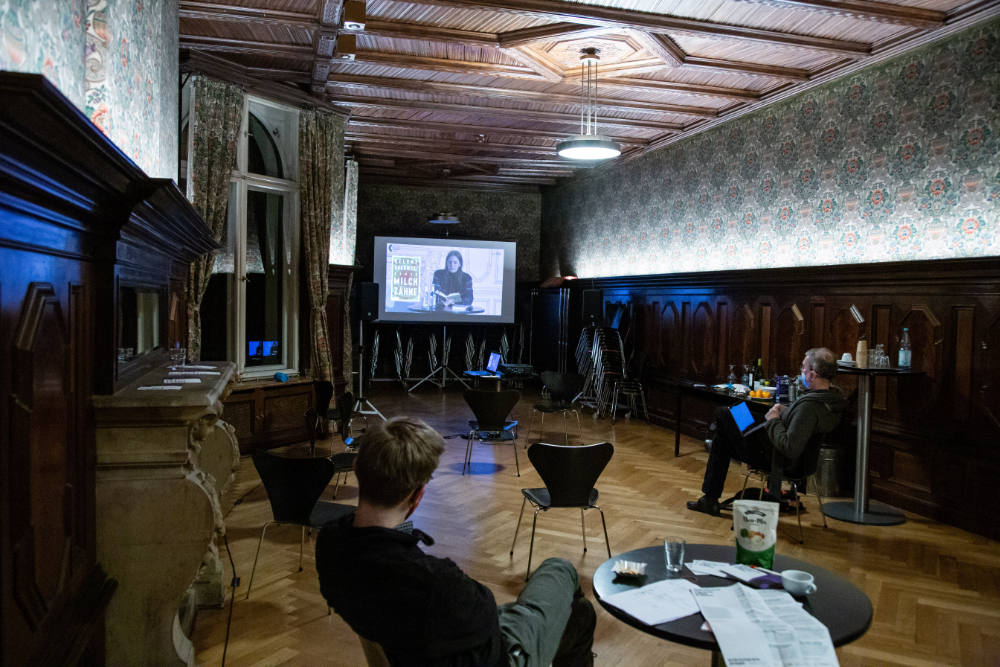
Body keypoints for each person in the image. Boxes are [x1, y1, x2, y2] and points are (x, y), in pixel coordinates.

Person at [316, 417, 595, 666]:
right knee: (560, 570)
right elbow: (486, 618)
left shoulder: (331, 546)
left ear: (358, 468)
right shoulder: (434, 583)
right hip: (501, 656)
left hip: (420, 646)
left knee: (577, 614)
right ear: (417, 496)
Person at [686, 347, 847, 516]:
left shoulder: (809, 407)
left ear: (813, 375)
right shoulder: (830, 400)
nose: (801, 371)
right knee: (734, 416)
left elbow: (790, 447)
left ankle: (709, 499)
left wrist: (774, 420)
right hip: (796, 458)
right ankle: (709, 499)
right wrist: (786, 412)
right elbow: (801, 424)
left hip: (776, 458)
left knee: (724, 414)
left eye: (803, 367)